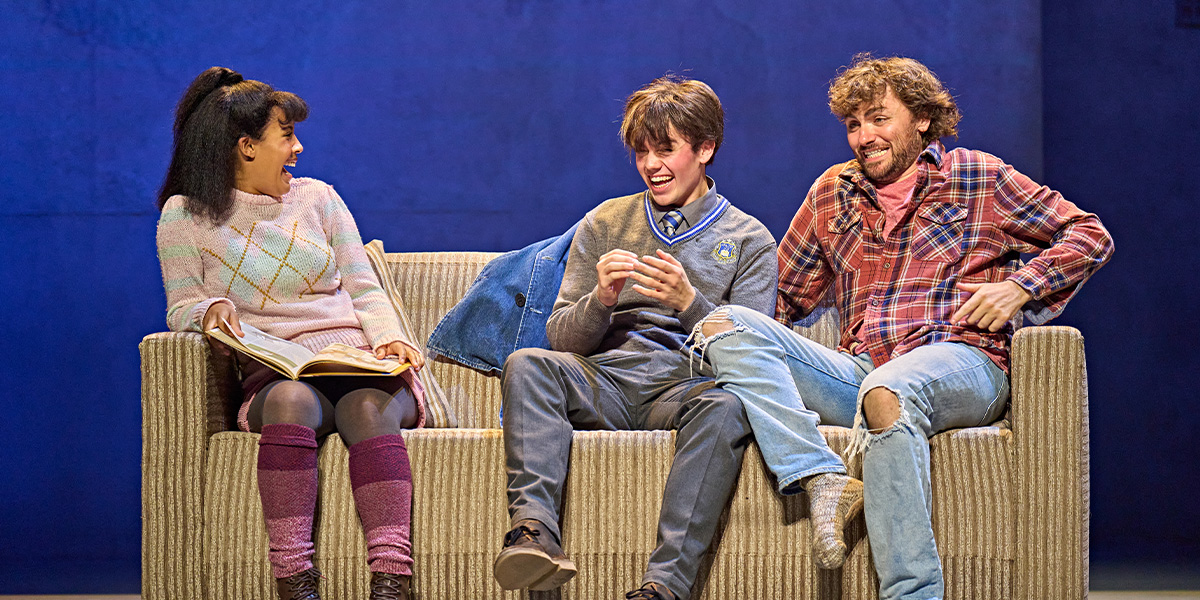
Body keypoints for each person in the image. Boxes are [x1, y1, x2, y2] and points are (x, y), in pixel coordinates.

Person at [692, 54, 1114, 600]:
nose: (863, 136)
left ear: (920, 118)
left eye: (878, 118)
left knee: (887, 390)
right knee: (725, 324)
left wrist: (1021, 287)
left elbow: (1089, 234)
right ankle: (822, 477)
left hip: (962, 361)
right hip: (860, 369)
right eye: (852, 124)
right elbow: (782, 300)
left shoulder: (976, 176)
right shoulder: (832, 192)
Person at [492, 75, 778, 600]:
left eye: (666, 149)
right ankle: (533, 537)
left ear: (705, 149)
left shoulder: (748, 238)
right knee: (528, 362)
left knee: (730, 406)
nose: (651, 165)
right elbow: (561, 339)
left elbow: (753, 355)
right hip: (606, 378)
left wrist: (689, 303)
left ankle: (665, 586)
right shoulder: (606, 219)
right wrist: (599, 299)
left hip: (685, 387)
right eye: (641, 152)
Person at [155, 67, 427, 600]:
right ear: (246, 147)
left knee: (365, 407)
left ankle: (392, 579)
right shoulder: (183, 216)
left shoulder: (319, 199)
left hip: (357, 366)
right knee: (288, 400)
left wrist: (390, 338)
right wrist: (207, 310)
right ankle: (294, 580)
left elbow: (365, 288)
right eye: (287, 136)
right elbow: (181, 305)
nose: (298, 148)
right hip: (277, 372)